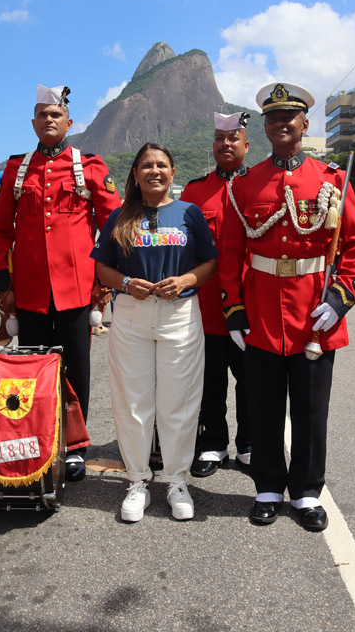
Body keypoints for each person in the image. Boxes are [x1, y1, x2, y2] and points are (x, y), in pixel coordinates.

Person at [219, 82, 355, 532]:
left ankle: (305, 491)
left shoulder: (331, 179)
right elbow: (229, 255)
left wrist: (340, 298)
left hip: (313, 313)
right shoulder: (245, 184)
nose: (281, 124)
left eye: (290, 118)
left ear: (305, 124)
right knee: (263, 405)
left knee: (309, 409)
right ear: (264, 126)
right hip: (263, 309)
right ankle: (266, 485)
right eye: (272, 118)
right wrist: (234, 310)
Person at [0, 84, 121, 481]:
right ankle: (38, 436)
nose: (49, 119)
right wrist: (3, 284)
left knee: (76, 369)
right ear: (32, 123)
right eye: (42, 114)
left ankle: (76, 445)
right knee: (32, 369)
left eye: (55, 114)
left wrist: (104, 283)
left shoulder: (90, 165)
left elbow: (112, 227)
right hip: (28, 292)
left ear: (69, 122)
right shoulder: (16, 169)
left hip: (76, 290)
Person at [91, 143, 218, 522]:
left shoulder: (189, 214)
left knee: (178, 402)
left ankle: (177, 481)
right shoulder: (118, 216)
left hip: (179, 313)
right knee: (133, 402)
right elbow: (102, 269)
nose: (155, 171)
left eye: (162, 164)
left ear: (172, 172)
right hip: (131, 315)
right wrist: (127, 282)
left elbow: (210, 261)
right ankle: (137, 481)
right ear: (135, 174)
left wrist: (187, 279)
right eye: (146, 165)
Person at [181, 112, 251, 477]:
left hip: (252, 304)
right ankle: (213, 444)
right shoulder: (194, 192)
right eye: (219, 138)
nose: (226, 144)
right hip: (206, 306)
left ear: (246, 145)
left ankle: (249, 444)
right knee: (210, 382)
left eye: (233, 137)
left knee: (252, 381)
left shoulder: (259, 186)